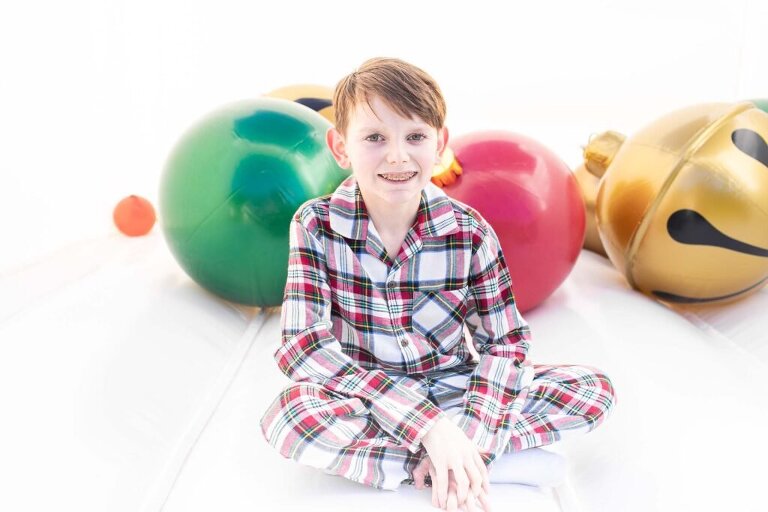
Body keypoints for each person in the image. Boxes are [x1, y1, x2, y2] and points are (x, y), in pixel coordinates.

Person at [260, 57, 615, 512]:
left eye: (415, 137)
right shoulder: (316, 225)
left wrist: (470, 431)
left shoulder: (468, 230)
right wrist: (428, 428)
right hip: (367, 398)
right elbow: (303, 346)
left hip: (454, 387)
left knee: (592, 389)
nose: (397, 156)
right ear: (341, 147)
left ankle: (464, 458)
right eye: (374, 138)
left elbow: (505, 341)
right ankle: (438, 466)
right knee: (291, 417)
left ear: (440, 143)